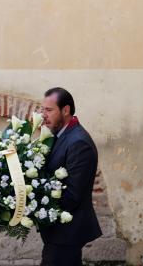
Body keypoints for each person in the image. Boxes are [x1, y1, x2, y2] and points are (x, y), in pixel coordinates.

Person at [39, 87, 102, 265]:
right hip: (59, 232)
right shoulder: (61, 135)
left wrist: (36, 203)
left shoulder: (79, 142)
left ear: (65, 110)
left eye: (49, 110)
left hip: (68, 232)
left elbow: (73, 194)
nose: (44, 115)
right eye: (43, 110)